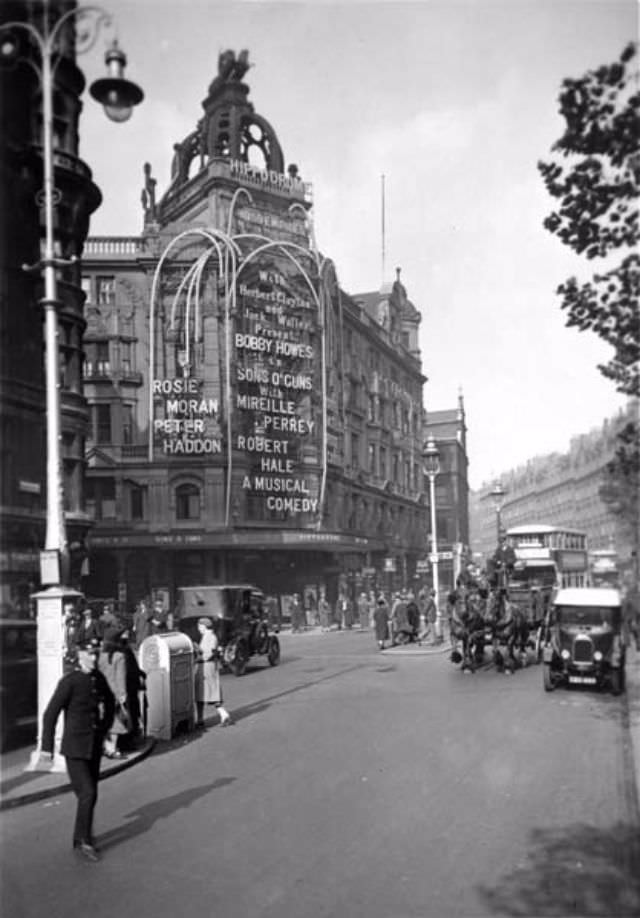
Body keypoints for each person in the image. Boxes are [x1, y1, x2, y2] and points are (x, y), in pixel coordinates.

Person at [40, 638, 115, 863]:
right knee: (87, 793)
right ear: (80, 655)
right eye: (90, 654)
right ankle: (84, 841)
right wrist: (46, 749)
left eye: (96, 654)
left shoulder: (98, 679)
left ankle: (80, 836)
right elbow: (50, 714)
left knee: (91, 794)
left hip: (93, 746)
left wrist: (104, 729)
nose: (94, 658)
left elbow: (109, 703)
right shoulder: (70, 682)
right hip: (74, 748)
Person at [98, 626, 130, 758]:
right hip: (114, 693)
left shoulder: (100, 655)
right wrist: (122, 695)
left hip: (100, 693)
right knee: (115, 723)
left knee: (102, 720)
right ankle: (112, 749)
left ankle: (104, 747)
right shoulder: (119, 656)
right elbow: (120, 677)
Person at [194, 617, 231, 727]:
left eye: (200, 626)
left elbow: (208, 654)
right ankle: (200, 719)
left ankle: (225, 715)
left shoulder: (210, 637)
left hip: (207, 668)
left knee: (211, 693)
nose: (199, 628)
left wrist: (198, 655)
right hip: (203, 668)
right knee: (200, 694)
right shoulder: (207, 636)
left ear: (205, 626)